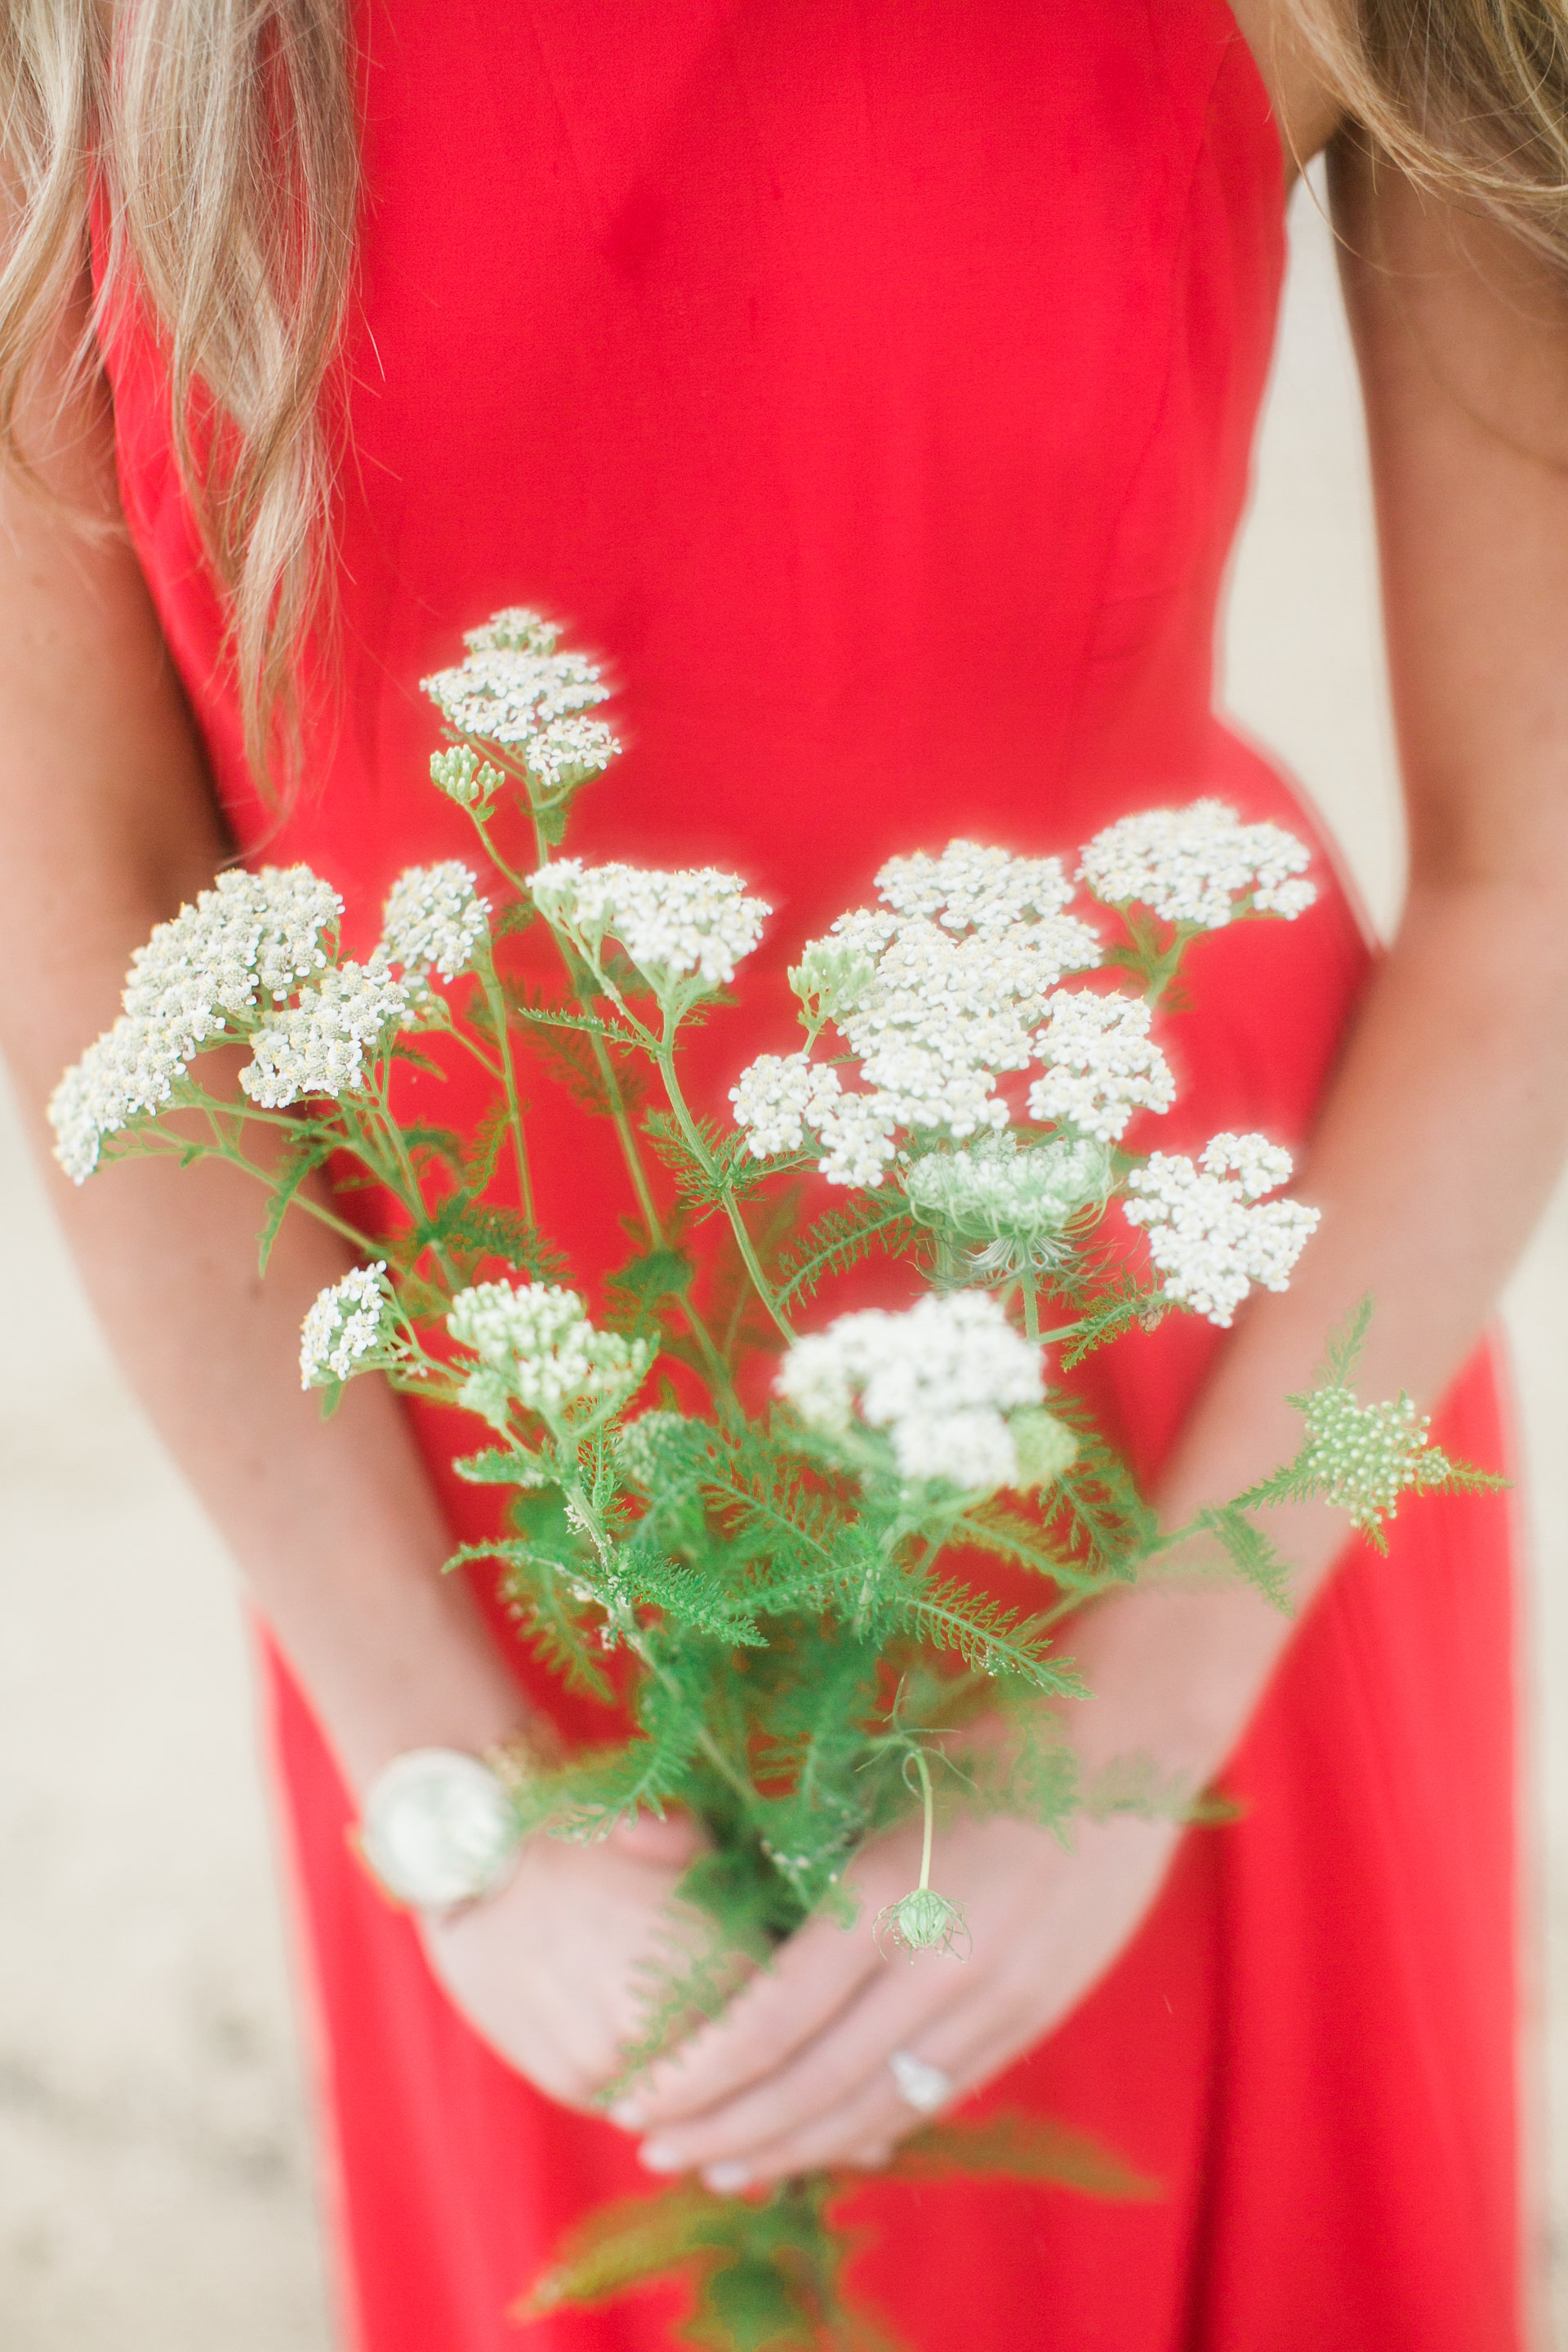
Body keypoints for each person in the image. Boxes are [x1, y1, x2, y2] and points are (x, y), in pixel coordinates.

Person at [1, 2, 1565, 2344]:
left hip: (1191, 1450)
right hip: (472, 1515)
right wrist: (445, 1771)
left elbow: (1532, 891)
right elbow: (91, 951)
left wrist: (1134, 1727)